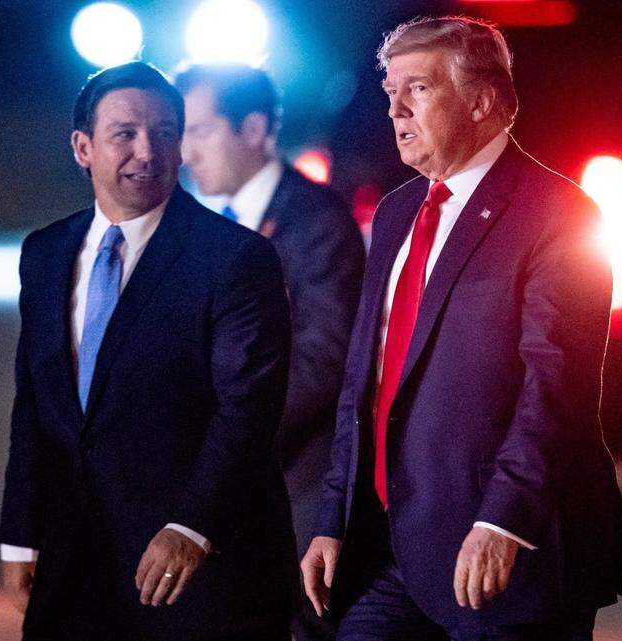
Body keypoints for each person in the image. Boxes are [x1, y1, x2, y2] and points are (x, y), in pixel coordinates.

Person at [300, 16, 622, 641]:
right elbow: (363, 380)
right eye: (390, 91)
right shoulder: (397, 213)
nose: (395, 108)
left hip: (507, 553)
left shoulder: (560, 214)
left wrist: (504, 520)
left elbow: (555, 386)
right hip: (395, 550)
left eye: (418, 89)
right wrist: (334, 520)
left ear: (481, 102)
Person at [0, 61, 298, 641]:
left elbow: (247, 410)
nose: (148, 151)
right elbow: (34, 403)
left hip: (199, 577)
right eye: (125, 134)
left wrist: (191, 527)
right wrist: (20, 534)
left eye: (165, 132)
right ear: (83, 147)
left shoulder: (233, 258)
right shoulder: (45, 254)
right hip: (77, 566)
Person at [175, 63, 366, 641]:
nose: (185, 152)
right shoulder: (192, 225)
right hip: (217, 489)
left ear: (255, 128)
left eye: (201, 131)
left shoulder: (317, 221)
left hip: (296, 487)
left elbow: (324, 359)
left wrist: (228, 439)